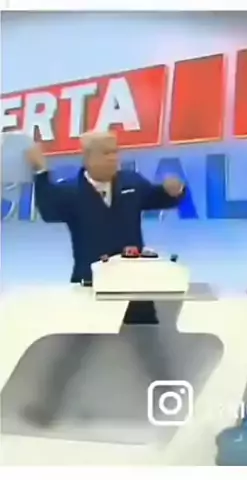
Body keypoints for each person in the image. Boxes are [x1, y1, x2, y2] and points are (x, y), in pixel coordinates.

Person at [23, 131, 186, 427]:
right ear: (88, 157)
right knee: (73, 351)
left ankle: (172, 407)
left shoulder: (131, 183)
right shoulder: (71, 191)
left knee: (150, 347)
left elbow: (159, 197)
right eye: (107, 153)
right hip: (92, 286)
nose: (114, 158)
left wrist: (174, 191)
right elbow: (48, 210)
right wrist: (41, 170)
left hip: (133, 282)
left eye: (115, 152)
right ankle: (47, 409)